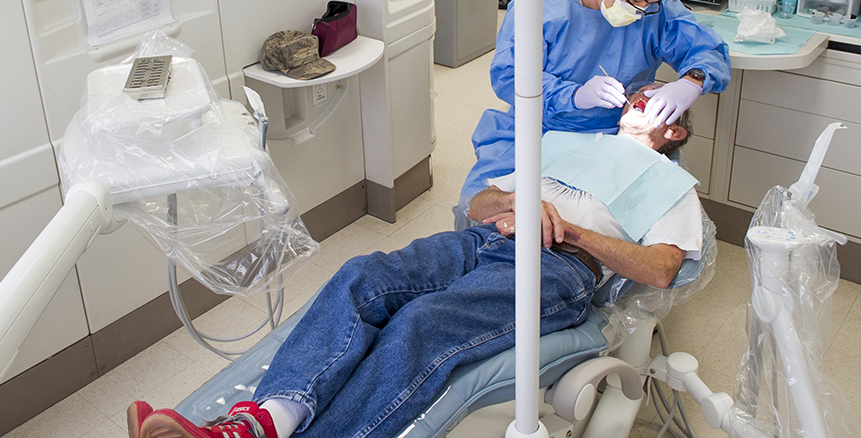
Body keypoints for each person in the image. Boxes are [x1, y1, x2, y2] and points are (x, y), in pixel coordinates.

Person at [124, 87, 702, 438]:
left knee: (421, 323)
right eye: (636, 95)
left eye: (652, 101)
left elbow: (660, 269)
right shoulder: (570, 143)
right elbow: (475, 204)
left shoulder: (672, 184)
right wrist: (514, 200)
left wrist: (571, 228)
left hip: (559, 267)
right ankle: (260, 425)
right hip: (485, 239)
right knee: (360, 277)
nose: (635, 101)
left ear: (674, 128)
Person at [455, 0, 730, 231]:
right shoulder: (541, 8)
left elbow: (704, 47)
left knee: (630, 230)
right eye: (637, 0)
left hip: (614, 132)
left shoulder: (655, 5)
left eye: (653, 4)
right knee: (482, 216)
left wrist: (691, 81)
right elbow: (509, 78)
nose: (643, 12)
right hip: (539, 128)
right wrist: (574, 96)